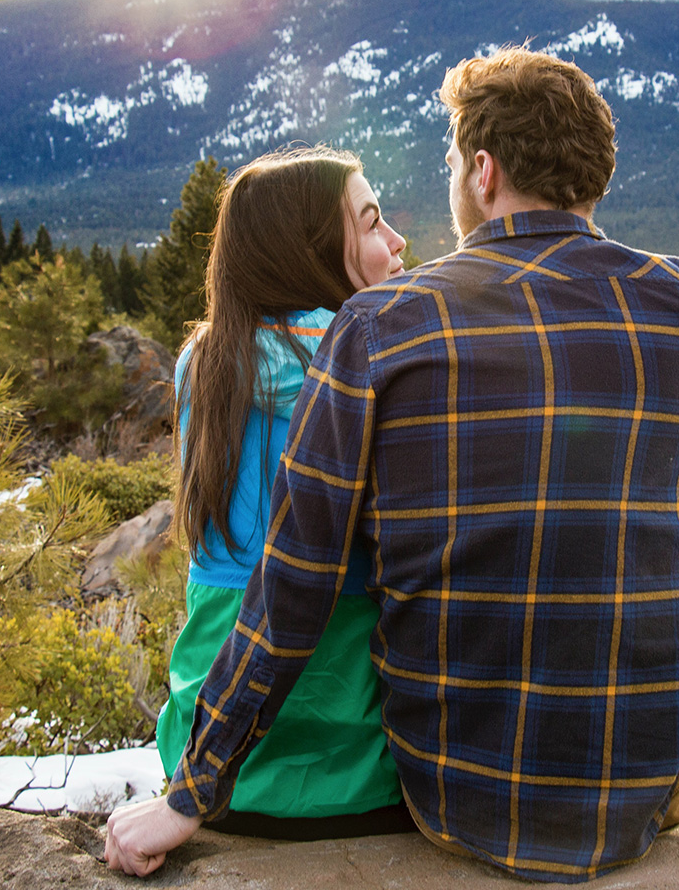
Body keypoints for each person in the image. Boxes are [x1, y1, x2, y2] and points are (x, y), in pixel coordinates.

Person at [105, 49, 679, 882]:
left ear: (482, 170)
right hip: (646, 796)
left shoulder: (377, 328)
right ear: (592, 177)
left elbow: (294, 581)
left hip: (449, 798)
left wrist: (192, 791)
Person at [154, 144, 410, 839]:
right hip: (356, 771)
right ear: (314, 250)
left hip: (212, 769)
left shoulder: (203, 362)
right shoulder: (377, 361)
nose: (396, 242)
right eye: (371, 223)